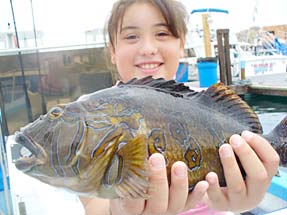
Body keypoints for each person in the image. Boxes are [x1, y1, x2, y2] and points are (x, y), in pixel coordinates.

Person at [80, 0, 280, 214]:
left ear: (181, 45)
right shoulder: (88, 116)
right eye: (131, 36)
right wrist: (117, 211)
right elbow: (93, 205)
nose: (148, 48)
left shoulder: (203, 102)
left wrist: (244, 199)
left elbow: (230, 189)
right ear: (112, 50)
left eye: (162, 34)